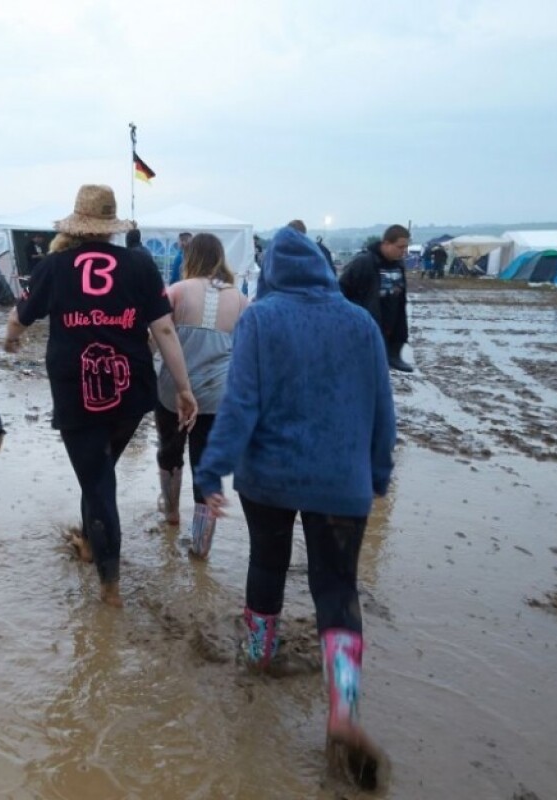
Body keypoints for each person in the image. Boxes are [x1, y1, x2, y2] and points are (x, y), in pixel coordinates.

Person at [194, 225, 396, 790]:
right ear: (325, 269)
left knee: (267, 565)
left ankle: (259, 659)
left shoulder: (261, 317)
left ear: (272, 273)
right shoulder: (361, 322)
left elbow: (241, 405)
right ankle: (343, 709)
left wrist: (211, 469)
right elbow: (383, 408)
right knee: (337, 590)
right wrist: (378, 473)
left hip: (271, 478)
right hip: (342, 481)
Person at [4, 184, 197, 608]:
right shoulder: (141, 266)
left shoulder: (54, 266)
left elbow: (20, 316)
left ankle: (110, 591)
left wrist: (11, 339)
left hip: (77, 394)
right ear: (110, 228)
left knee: (98, 482)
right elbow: (163, 330)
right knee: (98, 472)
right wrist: (183, 388)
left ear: (77, 224)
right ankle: (91, 546)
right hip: (130, 394)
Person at [155, 233, 249, 559]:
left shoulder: (176, 291)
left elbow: (154, 336)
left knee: (169, 452)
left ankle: (171, 514)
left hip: (172, 390)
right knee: (204, 464)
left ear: (190, 257)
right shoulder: (239, 299)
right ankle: (201, 546)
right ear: (220, 258)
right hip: (217, 396)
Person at [339, 224, 413, 372]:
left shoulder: (398, 265)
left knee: (381, 373)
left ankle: (393, 354)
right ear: (386, 243)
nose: (404, 252)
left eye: (406, 248)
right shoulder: (363, 262)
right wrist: (356, 314)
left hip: (390, 326)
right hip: (366, 327)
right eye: (400, 247)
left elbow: (400, 297)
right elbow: (340, 290)